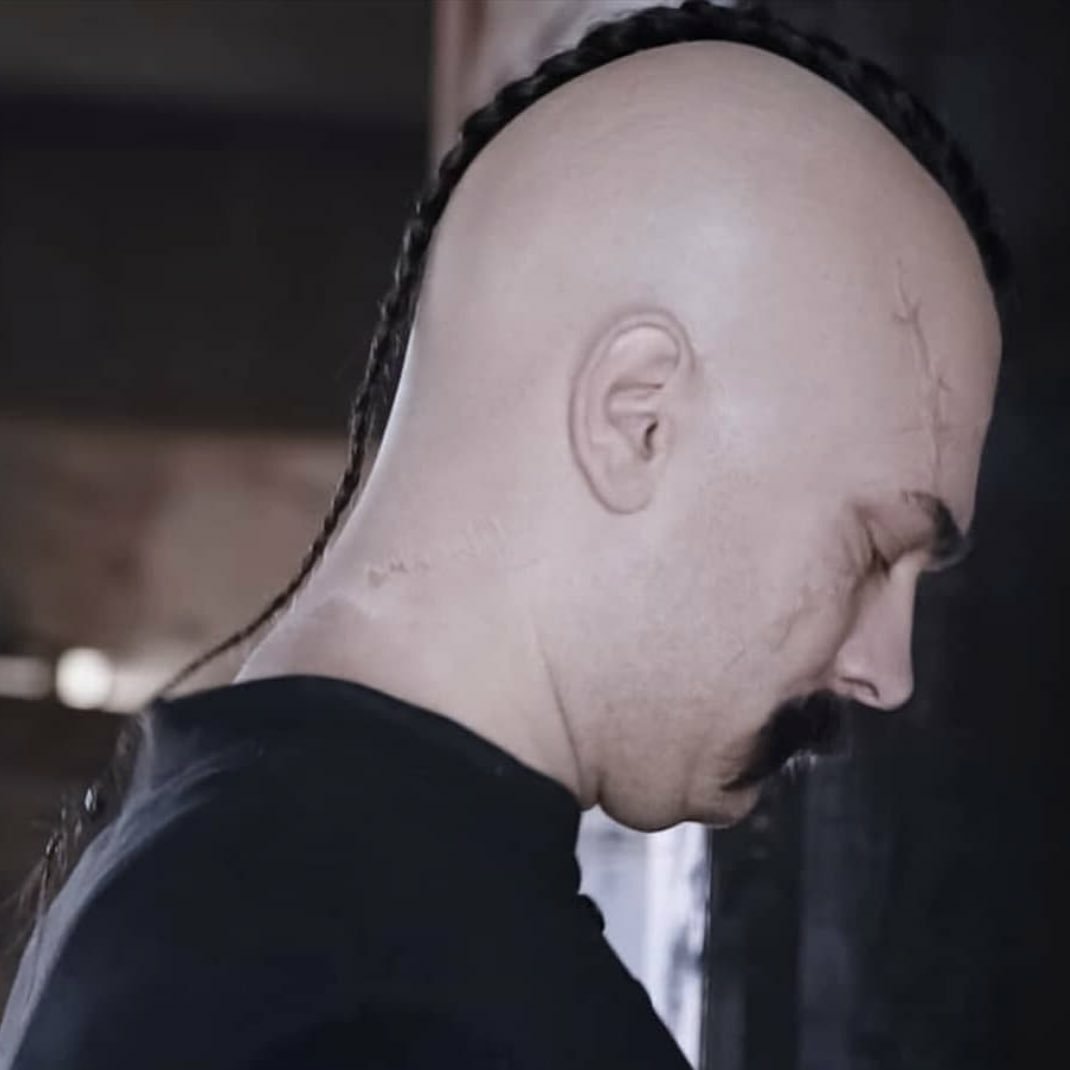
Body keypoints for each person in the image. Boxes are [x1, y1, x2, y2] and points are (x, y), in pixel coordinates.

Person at [0, 2, 1010, 1067]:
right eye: (871, 549)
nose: (885, 671)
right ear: (637, 419)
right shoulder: (405, 996)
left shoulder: (206, 883)